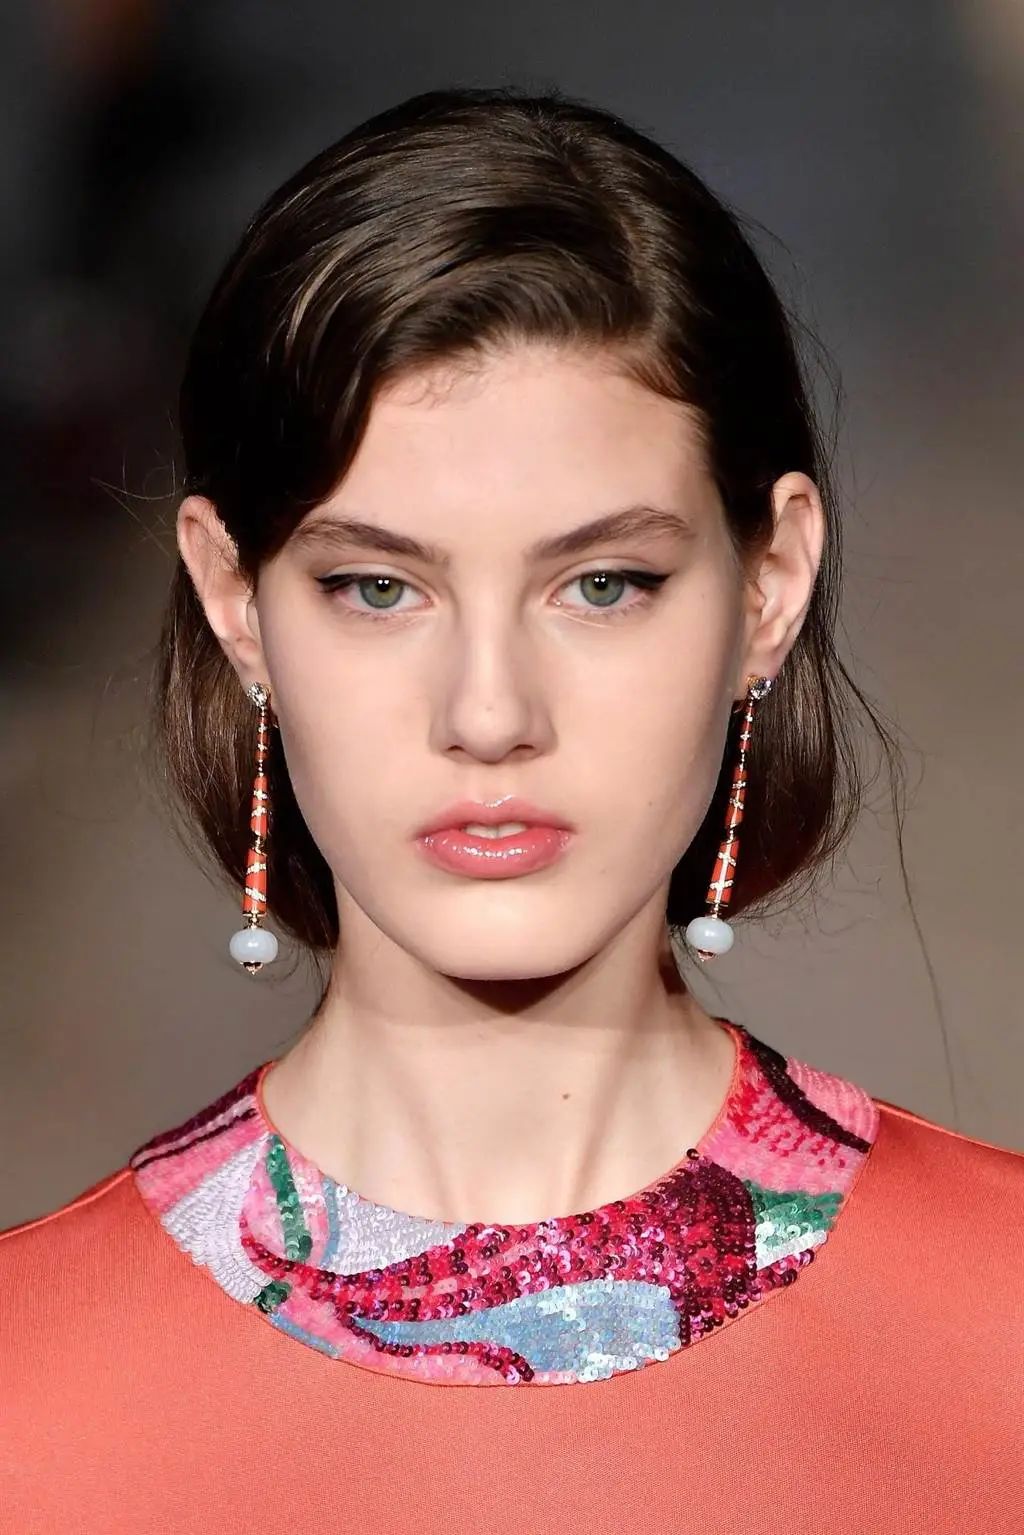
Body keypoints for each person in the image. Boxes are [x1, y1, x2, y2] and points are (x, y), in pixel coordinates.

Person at [2, 85, 1021, 1533]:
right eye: (377, 587)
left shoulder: (1000, 1340)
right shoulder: (28, 1400)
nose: (489, 714)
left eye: (602, 584)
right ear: (236, 603)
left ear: (770, 585)